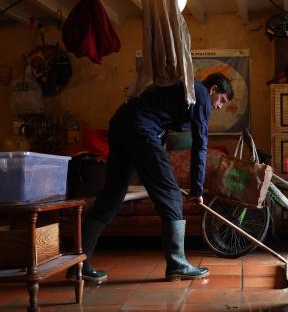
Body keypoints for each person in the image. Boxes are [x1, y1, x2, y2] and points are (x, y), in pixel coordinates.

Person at [68, 73, 234, 284]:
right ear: (213, 90)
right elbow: (200, 144)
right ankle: (177, 264)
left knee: (112, 195)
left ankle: (78, 266)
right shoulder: (199, 93)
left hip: (122, 123)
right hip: (140, 129)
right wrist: (197, 189)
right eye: (221, 100)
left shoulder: (183, 93)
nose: (219, 106)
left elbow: (161, 126)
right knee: (171, 194)